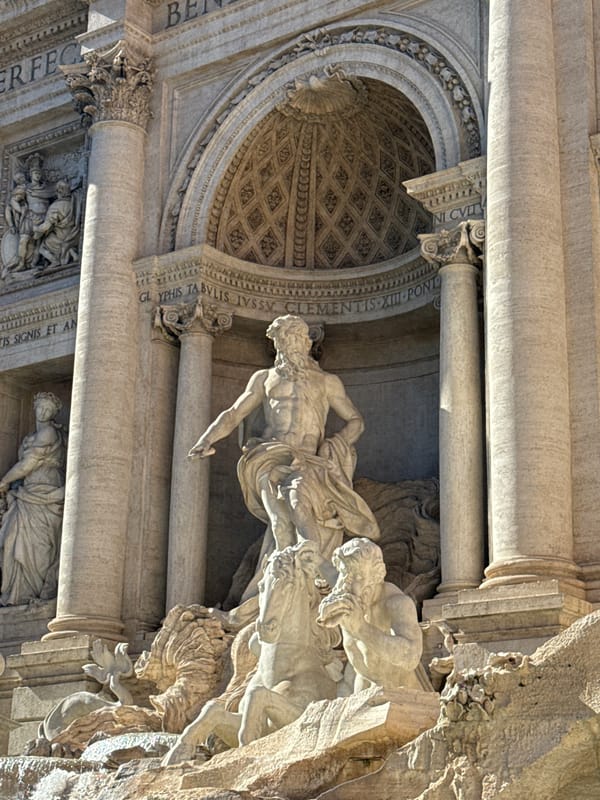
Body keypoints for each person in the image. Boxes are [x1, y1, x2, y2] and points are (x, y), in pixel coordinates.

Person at [189, 315, 379, 597]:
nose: (287, 346)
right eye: (281, 341)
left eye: (293, 339)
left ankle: (310, 574)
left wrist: (335, 443)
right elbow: (234, 413)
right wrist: (207, 439)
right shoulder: (265, 379)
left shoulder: (327, 382)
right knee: (279, 523)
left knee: (296, 497)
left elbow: (356, 422)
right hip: (271, 456)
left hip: (308, 461)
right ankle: (293, 583)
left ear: (306, 342)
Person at [317, 537, 427, 693]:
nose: (351, 585)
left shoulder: (397, 603)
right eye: (345, 575)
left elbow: (410, 657)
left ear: (377, 576)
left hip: (405, 697)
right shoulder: (350, 597)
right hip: (365, 688)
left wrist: (361, 628)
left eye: (360, 577)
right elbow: (331, 573)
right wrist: (314, 557)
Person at [0, 393, 67, 605]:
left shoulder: (48, 433)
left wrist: (4, 481)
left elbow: (29, 464)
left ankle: (32, 592)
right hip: (27, 492)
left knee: (39, 546)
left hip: (46, 491)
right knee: (13, 539)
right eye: (41, 408)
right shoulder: (31, 435)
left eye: (49, 410)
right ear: (34, 408)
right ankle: (18, 595)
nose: (44, 413)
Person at [33, 179, 81, 270]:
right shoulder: (74, 202)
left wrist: (36, 228)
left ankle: (55, 261)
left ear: (59, 191)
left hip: (62, 236)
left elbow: (46, 226)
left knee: (43, 246)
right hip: (74, 234)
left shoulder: (55, 206)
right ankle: (72, 252)